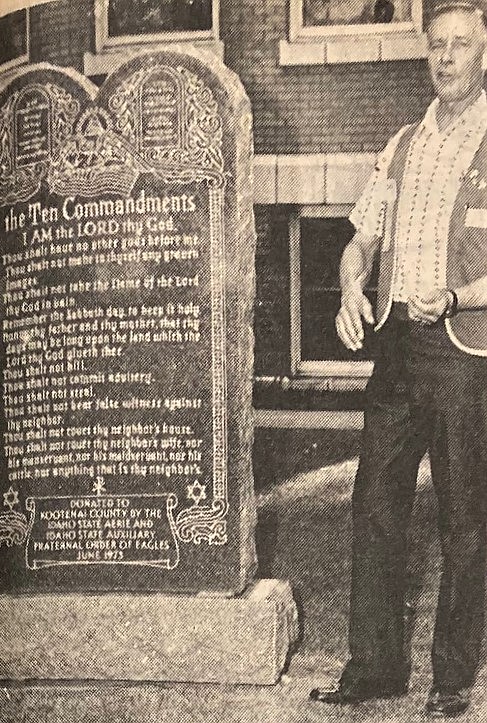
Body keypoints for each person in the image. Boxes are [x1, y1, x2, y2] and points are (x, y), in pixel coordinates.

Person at [309, 0, 487, 717]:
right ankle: (375, 667)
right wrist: (350, 283)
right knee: (375, 507)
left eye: (461, 45)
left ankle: (450, 676)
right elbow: (360, 239)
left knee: (463, 519)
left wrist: (455, 295)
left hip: (462, 352)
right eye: (435, 45)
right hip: (396, 351)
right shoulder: (402, 143)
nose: (445, 58)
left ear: (484, 54)